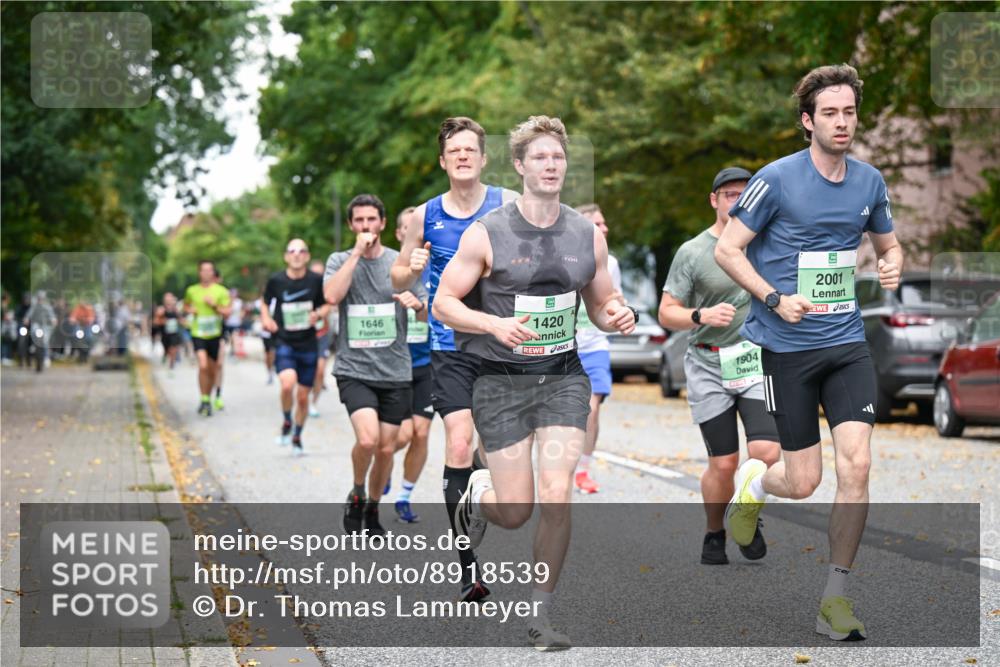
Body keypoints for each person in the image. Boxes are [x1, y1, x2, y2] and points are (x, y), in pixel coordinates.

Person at [434, 116, 637, 651]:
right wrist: (493, 324)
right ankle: (478, 493)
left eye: (558, 157)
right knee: (515, 510)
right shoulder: (487, 232)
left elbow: (601, 301)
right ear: (520, 166)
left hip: (561, 378)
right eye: (540, 157)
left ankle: (539, 614)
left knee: (556, 493)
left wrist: (616, 314)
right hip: (500, 382)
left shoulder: (586, 234)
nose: (551, 165)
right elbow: (444, 303)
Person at [715, 64, 902, 641]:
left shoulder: (869, 182)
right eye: (829, 113)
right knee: (802, 482)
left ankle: (834, 599)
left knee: (857, 465)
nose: (841, 122)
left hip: (845, 343)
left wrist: (891, 264)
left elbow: (889, 245)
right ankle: (755, 484)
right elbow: (728, 249)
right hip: (788, 348)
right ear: (807, 120)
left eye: (849, 112)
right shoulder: (775, 179)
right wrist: (774, 297)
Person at [391, 116, 518, 602]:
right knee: (459, 444)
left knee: (499, 451)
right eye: (454, 151)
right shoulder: (425, 215)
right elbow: (398, 276)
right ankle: (469, 568)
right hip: (450, 346)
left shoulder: (508, 203)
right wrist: (411, 268)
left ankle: (478, 496)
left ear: (483, 158)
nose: (463, 156)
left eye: (470, 150)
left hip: (503, 343)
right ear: (443, 161)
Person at [659, 167, 782, 566]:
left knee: (767, 450)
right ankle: (715, 531)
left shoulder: (768, 244)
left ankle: (746, 508)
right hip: (708, 363)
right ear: (714, 200)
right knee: (724, 462)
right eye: (730, 195)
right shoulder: (693, 252)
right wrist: (701, 315)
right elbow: (666, 312)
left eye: (745, 195)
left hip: (754, 360)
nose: (738, 201)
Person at [325, 194, 427, 537]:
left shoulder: (399, 263)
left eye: (371, 219)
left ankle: (372, 506)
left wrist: (417, 306)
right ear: (351, 225)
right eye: (359, 220)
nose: (366, 226)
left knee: (385, 449)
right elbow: (332, 296)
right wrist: (356, 254)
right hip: (354, 370)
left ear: (383, 223)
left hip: (395, 370)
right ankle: (357, 492)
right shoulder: (340, 260)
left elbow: (427, 312)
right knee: (368, 441)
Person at [386, 207, 434, 523]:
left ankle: (404, 496)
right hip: (395, 365)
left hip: (429, 362)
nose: (414, 231)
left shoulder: (438, 267)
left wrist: (421, 307)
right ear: (400, 234)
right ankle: (382, 465)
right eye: (407, 227)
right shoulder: (389, 269)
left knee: (421, 432)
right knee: (401, 436)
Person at [261, 240, 330, 456]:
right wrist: (266, 319)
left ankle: (297, 436)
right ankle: (286, 420)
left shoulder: (316, 280)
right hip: (284, 341)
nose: (297, 255)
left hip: (308, 343)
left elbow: (327, 304)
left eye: (302, 251)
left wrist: (318, 314)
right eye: (292, 251)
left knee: (302, 397)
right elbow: (264, 302)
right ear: (286, 256)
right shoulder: (276, 280)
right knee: (287, 384)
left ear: (307, 256)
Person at [572, 203, 623, 494]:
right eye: (598, 224)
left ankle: (583, 470)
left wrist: (620, 308)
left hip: (595, 346)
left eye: (604, 223)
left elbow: (614, 298)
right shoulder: (561, 256)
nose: (605, 228)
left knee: (591, 410)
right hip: (563, 348)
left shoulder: (610, 262)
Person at [183, 260, 232, 416]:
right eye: (203, 270)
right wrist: (190, 310)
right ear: (199, 272)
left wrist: (214, 305)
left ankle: (208, 398)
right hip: (198, 333)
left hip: (215, 334)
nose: (206, 273)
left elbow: (227, 313)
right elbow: (185, 305)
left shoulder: (221, 291)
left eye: (209, 270)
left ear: (213, 272)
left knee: (212, 369)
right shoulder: (192, 290)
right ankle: (204, 399)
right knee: (203, 365)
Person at [308, 260, 333, 418]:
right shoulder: (303, 288)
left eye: (320, 274)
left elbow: (331, 305)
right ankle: (303, 397)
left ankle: (313, 403)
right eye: (314, 273)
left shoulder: (327, 290)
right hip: (304, 337)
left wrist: (320, 313)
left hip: (322, 335)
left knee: (320, 370)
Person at [210, 269, 227, 410]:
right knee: (207, 367)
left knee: (219, 364)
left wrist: (214, 305)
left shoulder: (223, 293)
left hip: (220, 333)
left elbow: (228, 312)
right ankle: (206, 395)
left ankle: (218, 395)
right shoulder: (199, 292)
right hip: (203, 336)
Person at [161, 293, 183, 373]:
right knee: (167, 350)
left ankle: (171, 366)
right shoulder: (162, 310)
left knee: (173, 350)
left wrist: (181, 321)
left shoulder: (176, 310)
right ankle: (165, 356)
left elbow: (181, 320)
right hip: (165, 334)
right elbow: (156, 321)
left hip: (174, 333)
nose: (169, 302)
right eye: (167, 300)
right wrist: (163, 321)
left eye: (170, 300)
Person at [225, 288, 244, 358]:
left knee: (234, 337)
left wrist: (241, 317)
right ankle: (232, 349)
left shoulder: (239, 302)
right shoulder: (227, 301)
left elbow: (242, 311)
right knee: (230, 338)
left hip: (236, 323)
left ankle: (234, 351)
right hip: (228, 323)